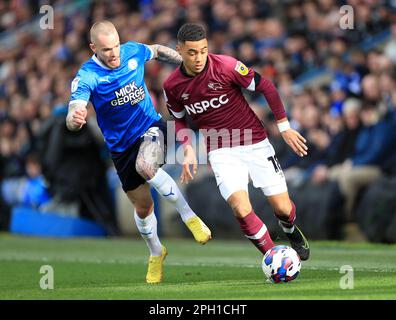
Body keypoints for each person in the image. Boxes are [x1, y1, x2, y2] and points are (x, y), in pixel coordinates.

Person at [66, 21, 211, 284]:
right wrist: (74, 119)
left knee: (146, 166)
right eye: (107, 49)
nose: (114, 54)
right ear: (93, 48)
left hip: (151, 127)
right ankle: (157, 252)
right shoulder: (87, 75)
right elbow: (73, 110)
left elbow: (155, 50)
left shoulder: (132, 51)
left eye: (116, 46)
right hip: (121, 148)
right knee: (144, 208)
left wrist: (184, 63)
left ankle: (190, 217)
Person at [163, 23, 310, 260]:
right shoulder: (172, 86)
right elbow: (179, 119)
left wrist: (284, 127)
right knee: (241, 208)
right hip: (220, 150)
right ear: (179, 50)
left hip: (255, 141)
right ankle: (273, 258)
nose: (199, 57)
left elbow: (266, 86)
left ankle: (289, 229)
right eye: (192, 52)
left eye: (203, 50)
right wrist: (187, 146)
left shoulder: (227, 66)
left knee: (283, 208)